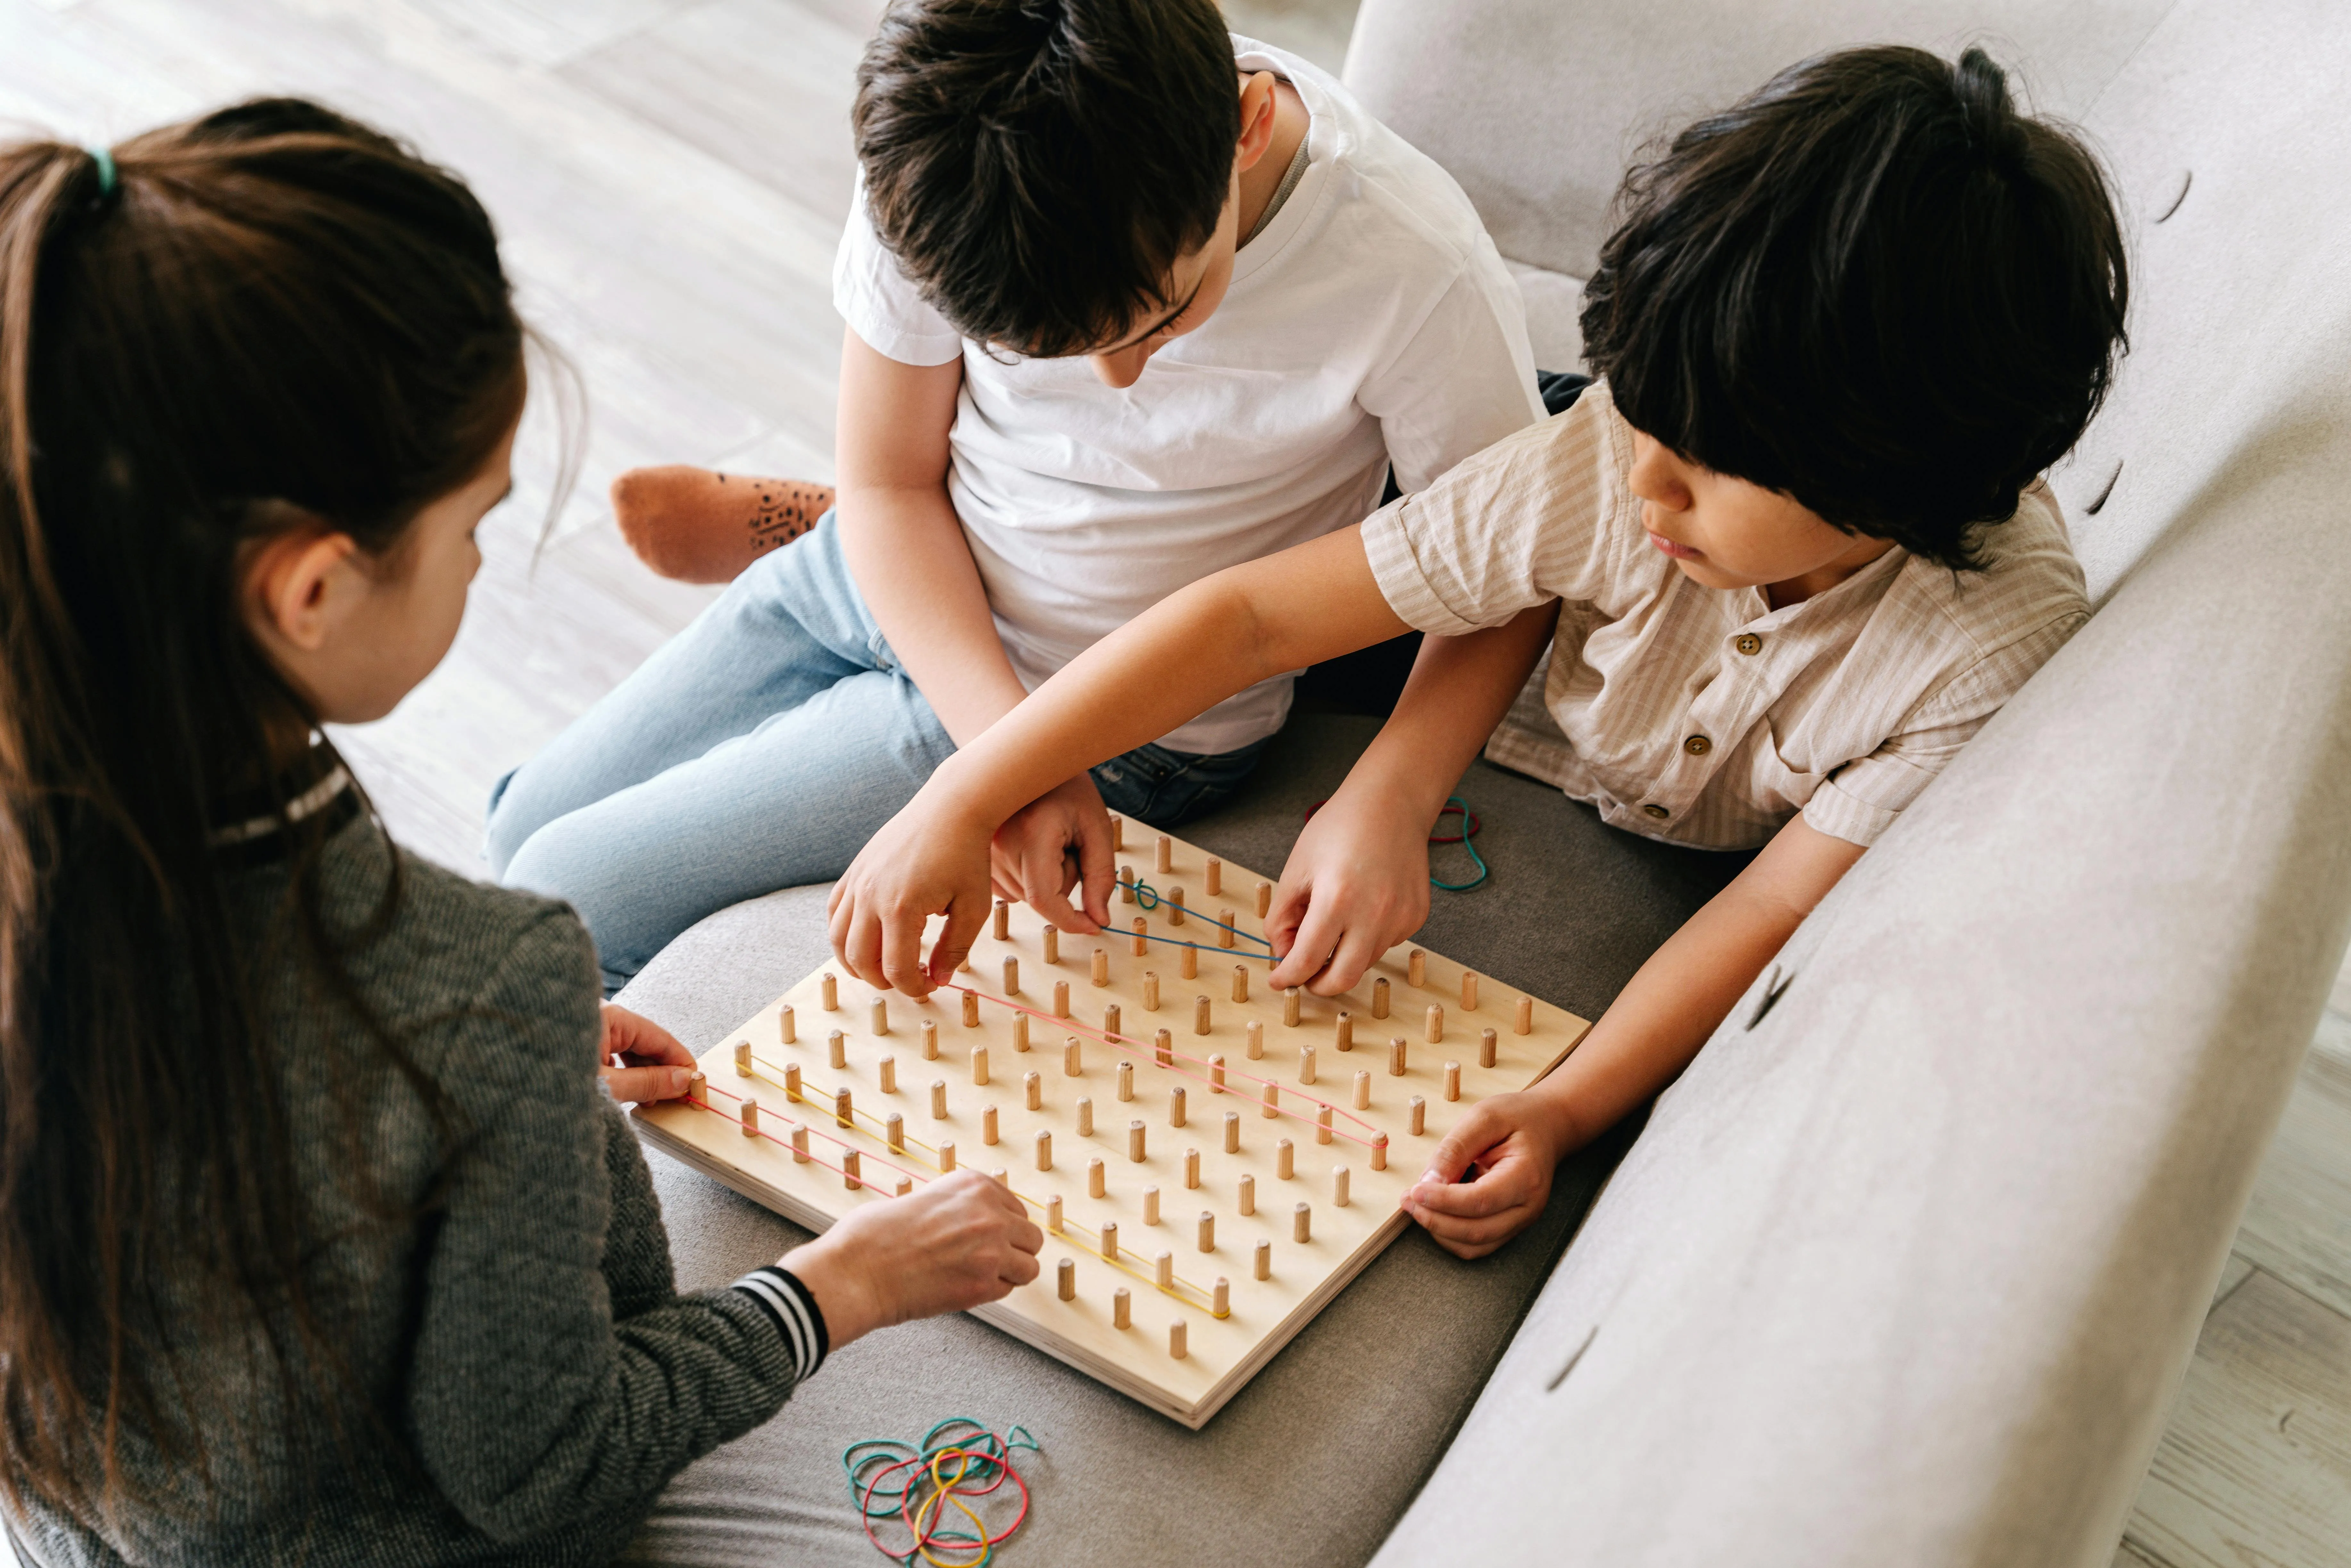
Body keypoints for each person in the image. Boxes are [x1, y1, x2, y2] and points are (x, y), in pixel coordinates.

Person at [823, 46, 2127, 1259]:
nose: (1650, 481)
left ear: (1892, 485)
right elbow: (1253, 616)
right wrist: (970, 788)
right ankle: (826, 516)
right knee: (1460, 520)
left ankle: (815, 516)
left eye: (1705, 461)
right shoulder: (1609, 457)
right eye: (1644, 420)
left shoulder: (1979, 657)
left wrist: (1565, 1107)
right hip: (1494, 601)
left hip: (1619, 714)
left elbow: (1775, 906)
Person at [0, 101, 1038, 1566]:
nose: (486, 558)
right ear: (307, 594)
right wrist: (845, 1280)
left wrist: (462, 1079)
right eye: (474, 525)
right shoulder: (476, 987)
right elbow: (546, 1463)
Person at [480, 0, 1545, 994]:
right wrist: (1001, 764)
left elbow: (1514, 569)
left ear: (1248, 124)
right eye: (1046, 354)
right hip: (882, 566)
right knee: (517, 822)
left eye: (1164, 319)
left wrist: (1395, 791)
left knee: (563, 900)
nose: (1118, 383)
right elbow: (893, 480)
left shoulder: (1412, 267)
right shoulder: (941, 166)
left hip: (1119, 721)